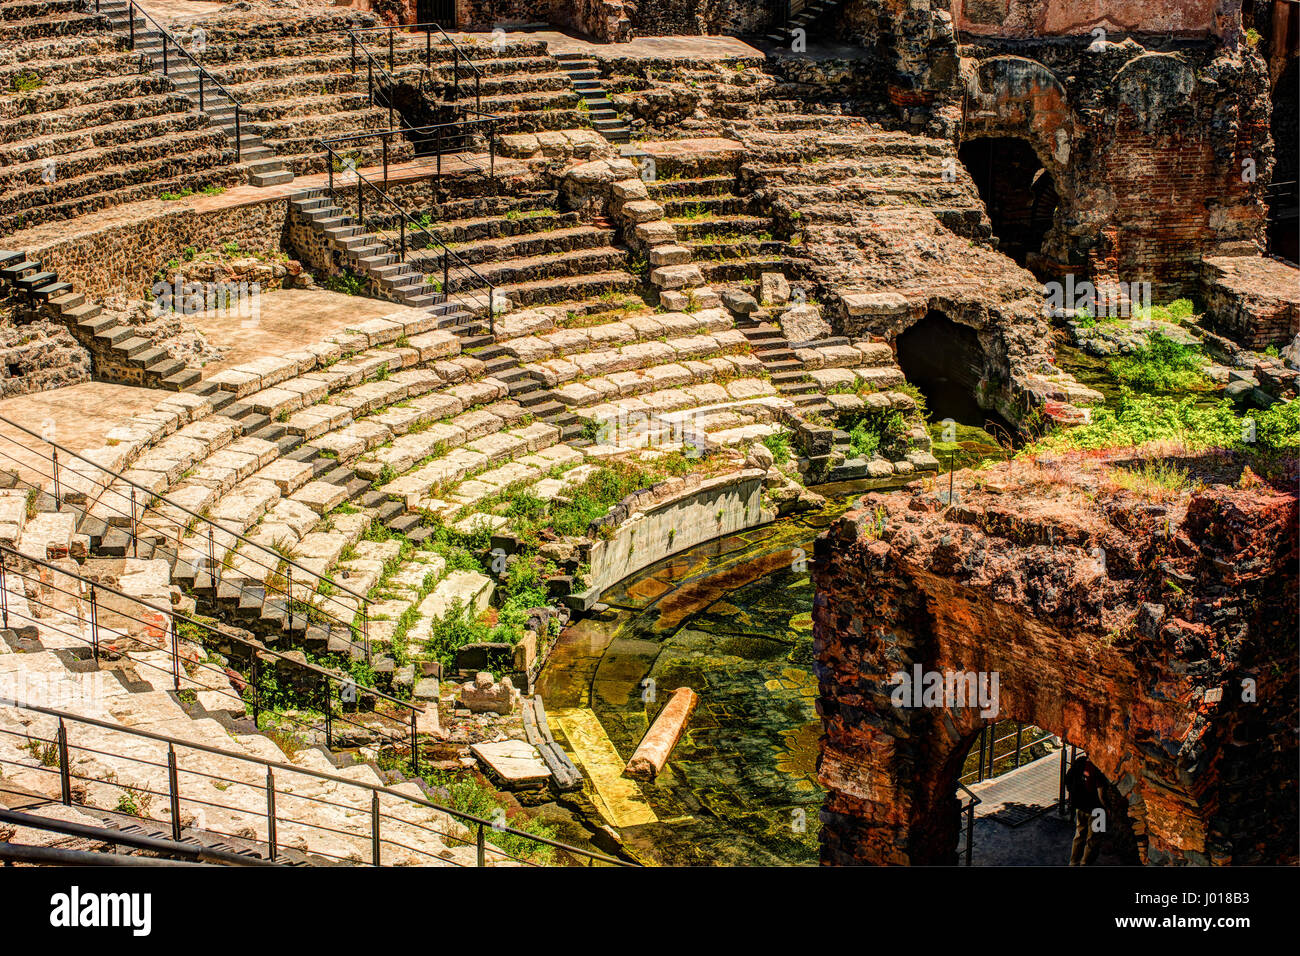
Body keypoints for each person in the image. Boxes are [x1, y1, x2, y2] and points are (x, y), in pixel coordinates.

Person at [1065, 754, 1104, 865]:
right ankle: (1085, 863)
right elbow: (1101, 793)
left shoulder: (1079, 762)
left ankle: (1073, 862)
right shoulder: (1097, 768)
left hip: (1080, 805)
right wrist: (1106, 808)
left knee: (1079, 835)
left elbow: (1068, 780)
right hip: (1097, 810)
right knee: (1093, 840)